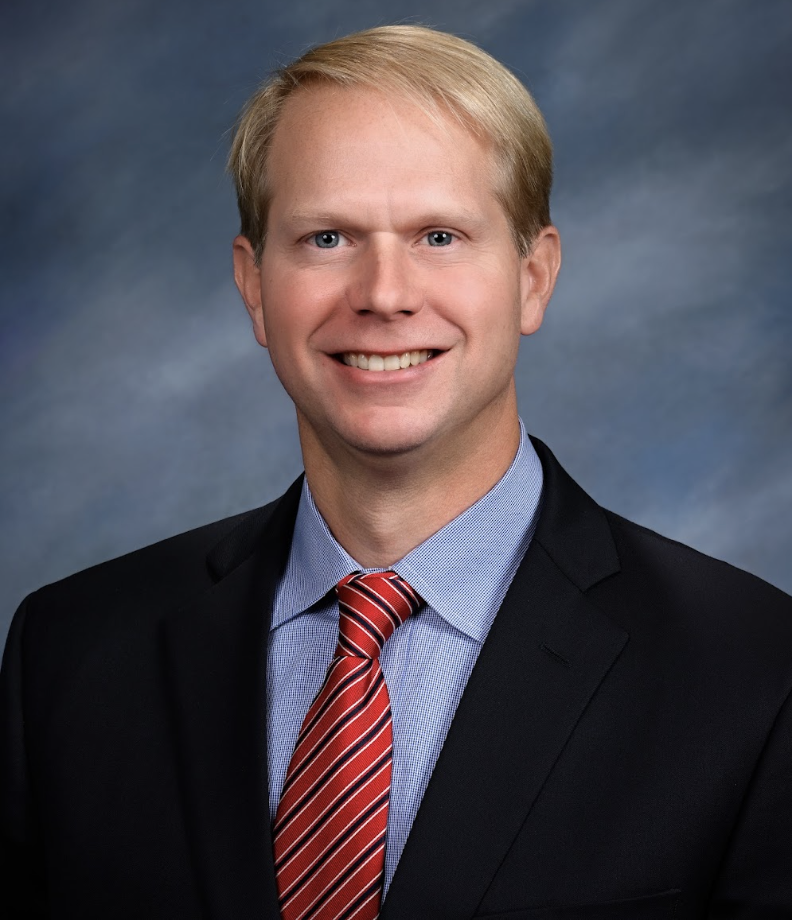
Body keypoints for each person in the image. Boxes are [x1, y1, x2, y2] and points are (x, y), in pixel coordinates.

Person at [2, 23, 791, 920]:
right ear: (254, 284)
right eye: (327, 238)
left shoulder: (754, 672)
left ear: (534, 278)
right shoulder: (70, 654)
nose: (383, 294)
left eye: (439, 236)